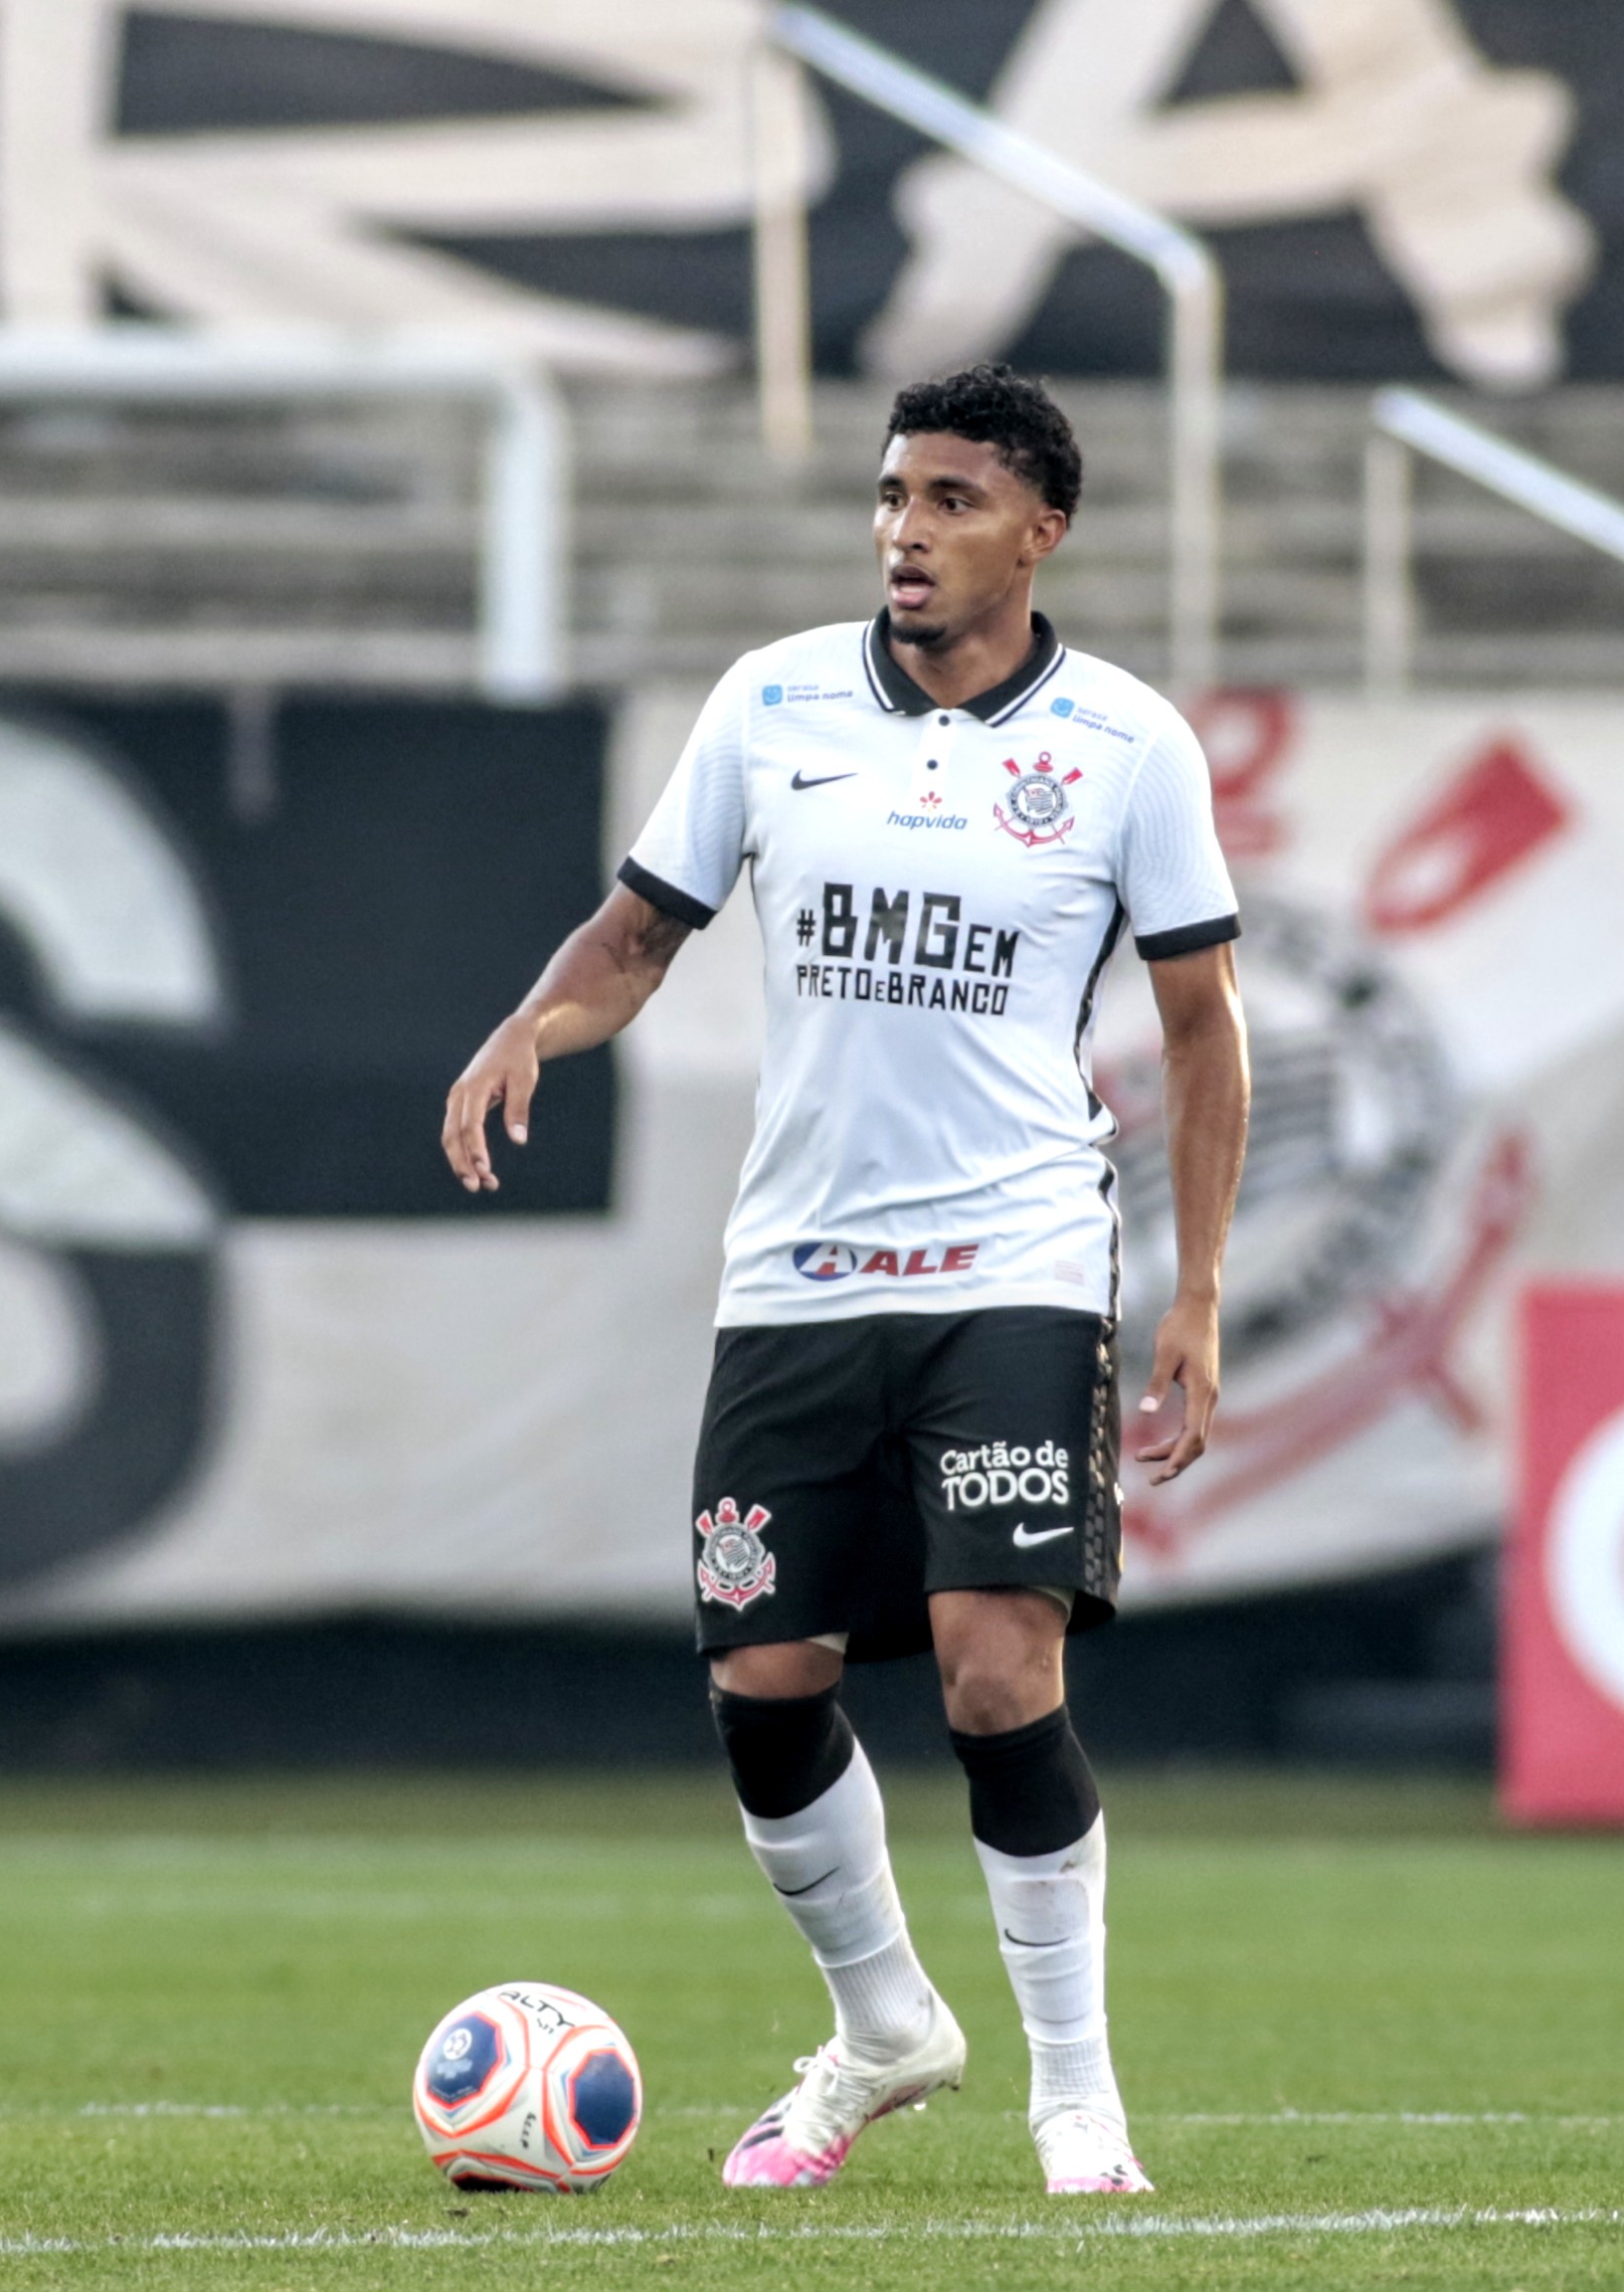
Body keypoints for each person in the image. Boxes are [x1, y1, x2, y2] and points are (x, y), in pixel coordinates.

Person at [443, 365, 1249, 2197]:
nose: (906, 530)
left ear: (1041, 532)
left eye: (953, 500)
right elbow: (636, 935)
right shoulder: (772, 700)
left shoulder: (1126, 744)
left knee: (994, 1668)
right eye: (893, 495)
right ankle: (885, 2025)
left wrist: (1195, 1295)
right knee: (763, 1673)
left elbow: (1204, 1026)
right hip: (799, 1269)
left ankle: (1077, 2099)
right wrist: (529, 1029)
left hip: (1016, 1259)